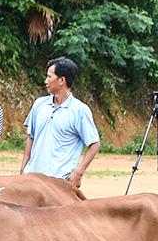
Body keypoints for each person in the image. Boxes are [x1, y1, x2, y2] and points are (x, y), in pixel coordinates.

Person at [20, 57, 100, 186]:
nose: (46, 81)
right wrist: (23, 170)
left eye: (49, 77)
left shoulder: (80, 110)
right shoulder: (39, 104)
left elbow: (94, 144)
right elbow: (31, 137)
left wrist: (78, 173)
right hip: (32, 179)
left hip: (59, 183)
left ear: (62, 80)